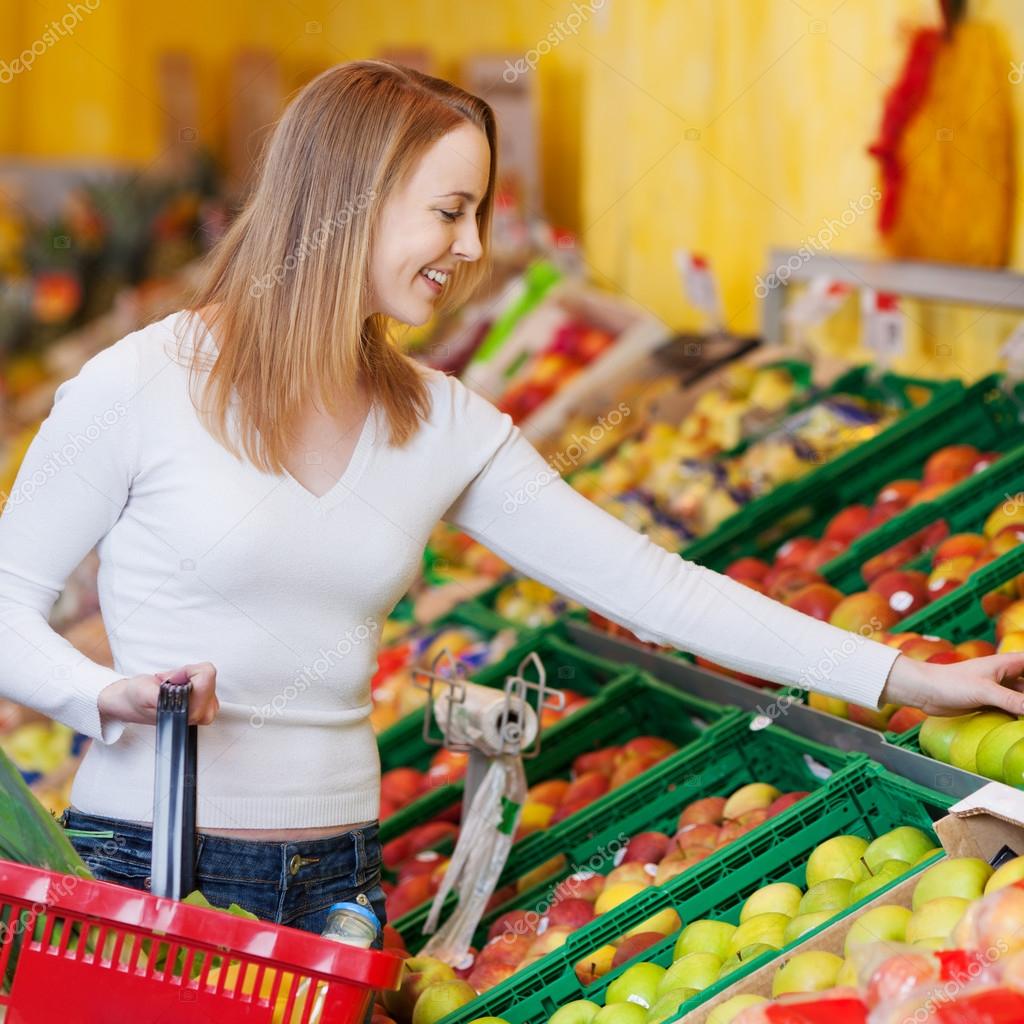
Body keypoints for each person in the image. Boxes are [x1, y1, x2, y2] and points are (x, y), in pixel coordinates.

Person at [1, 60, 1022, 938]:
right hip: (144, 871)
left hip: (339, 887)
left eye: (478, 212)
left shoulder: (438, 422)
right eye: (449, 211)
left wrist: (909, 678)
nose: (475, 247)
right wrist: (96, 696)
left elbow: (653, 586)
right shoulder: (141, 382)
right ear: (348, 198)